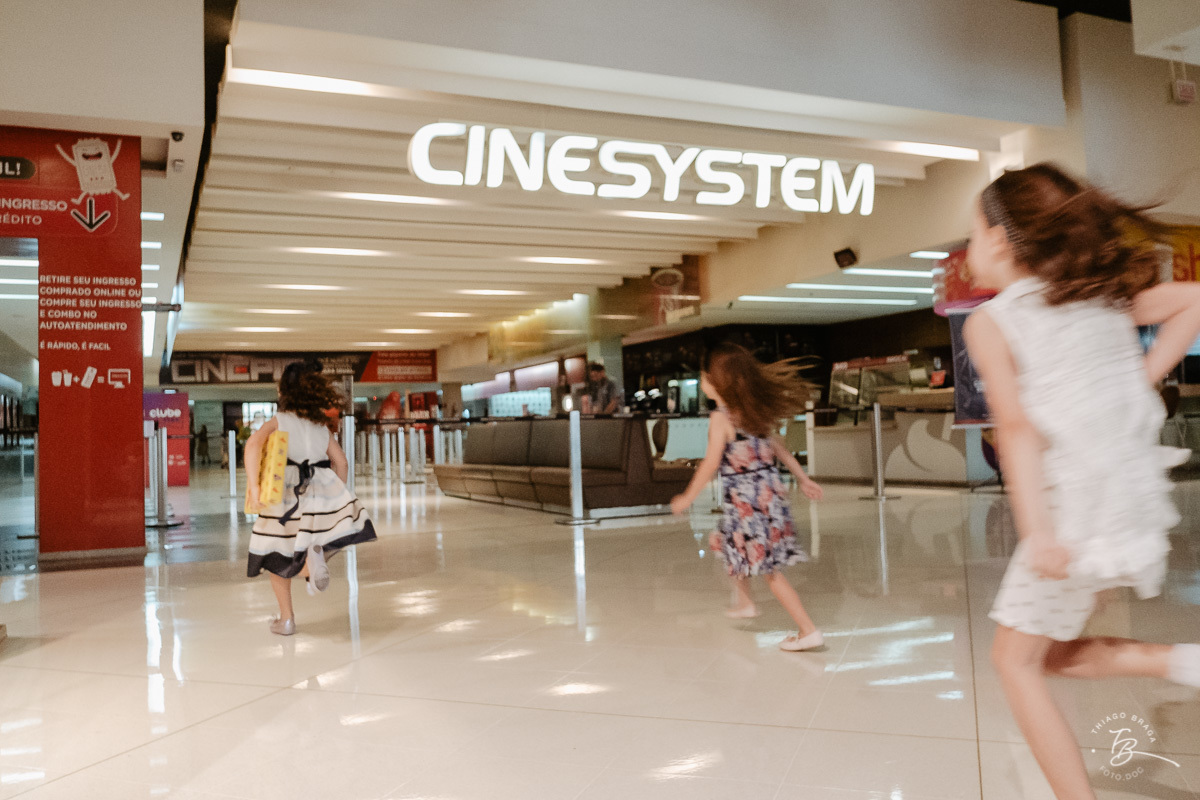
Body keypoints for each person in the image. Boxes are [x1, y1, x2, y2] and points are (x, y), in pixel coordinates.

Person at [963, 163, 1200, 800]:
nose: (967, 248)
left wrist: (1037, 532)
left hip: (1070, 516)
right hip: (1122, 509)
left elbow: (1012, 430)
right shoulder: (1100, 300)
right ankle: (1182, 662)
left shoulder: (993, 321)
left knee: (1014, 662)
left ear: (1001, 241)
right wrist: (1138, 378)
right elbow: (1194, 300)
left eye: (974, 231)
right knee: (1053, 653)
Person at [670, 344, 825, 652]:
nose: (702, 379)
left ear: (720, 383)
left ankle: (808, 630)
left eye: (707, 376)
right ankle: (746, 603)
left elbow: (711, 462)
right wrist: (803, 478)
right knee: (726, 540)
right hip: (767, 499)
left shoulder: (721, 419)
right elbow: (779, 449)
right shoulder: (753, 413)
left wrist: (688, 497)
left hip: (747, 503)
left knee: (768, 571)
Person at [244, 362, 377, 636]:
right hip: (319, 488)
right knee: (323, 539)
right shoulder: (320, 426)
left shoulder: (280, 420)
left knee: (275, 553)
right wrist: (334, 493)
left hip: (285, 492)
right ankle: (314, 562)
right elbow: (341, 462)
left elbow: (254, 443)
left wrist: (254, 486)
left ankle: (288, 618)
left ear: (285, 390)